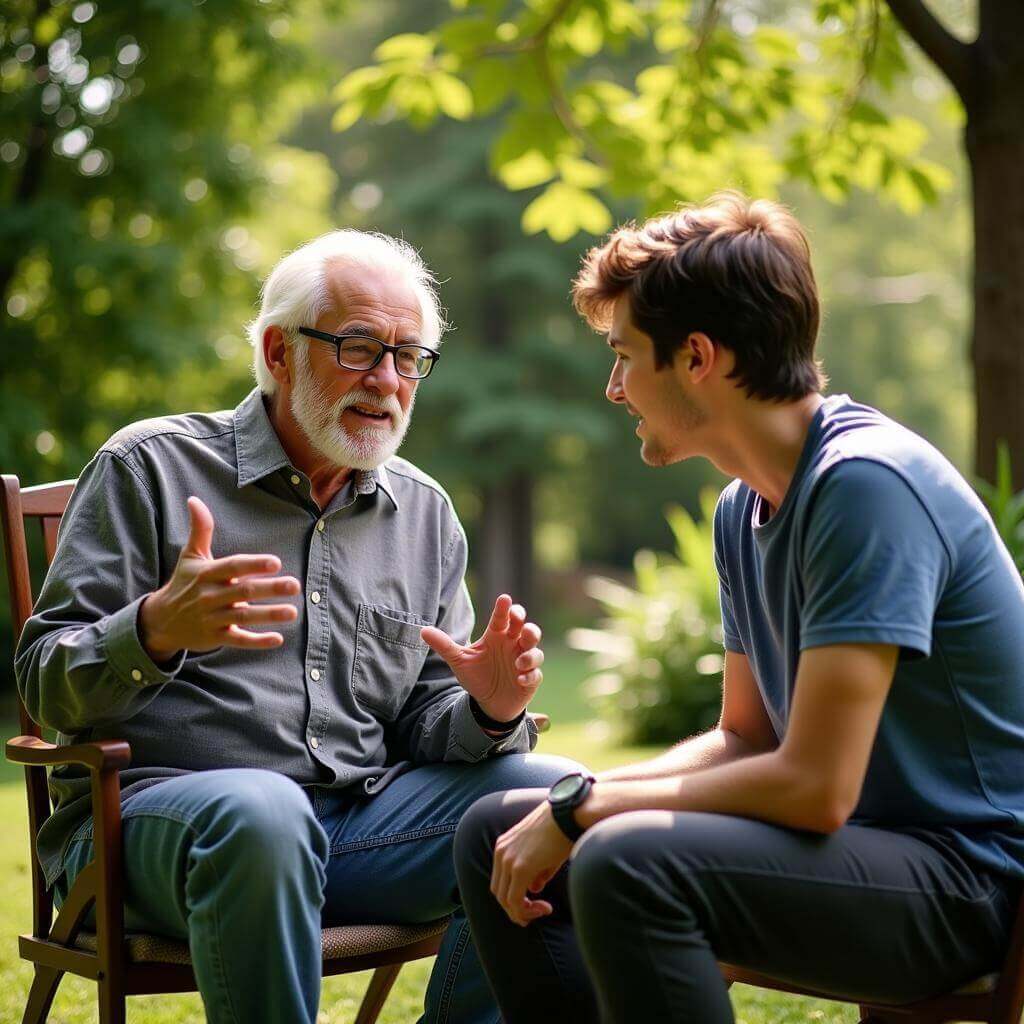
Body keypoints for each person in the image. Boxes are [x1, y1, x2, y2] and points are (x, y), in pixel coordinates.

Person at [453, 192, 1024, 1023]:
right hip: (867, 855)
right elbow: (745, 738)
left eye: (623, 357)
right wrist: (565, 802)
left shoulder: (866, 488)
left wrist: (587, 809)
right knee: (492, 832)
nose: (614, 389)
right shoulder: (742, 510)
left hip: (973, 882)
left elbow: (815, 786)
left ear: (697, 358)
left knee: (622, 857)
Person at [15, 229, 578, 1024]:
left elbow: (424, 721)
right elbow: (43, 680)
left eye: (407, 356)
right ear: (280, 351)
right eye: (358, 348)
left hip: (355, 829)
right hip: (147, 833)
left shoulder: (423, 513)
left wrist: (487, 710)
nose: (386, 381)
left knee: (554, 799)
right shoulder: (148, 468)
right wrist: (153, 630)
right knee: (264, 815)